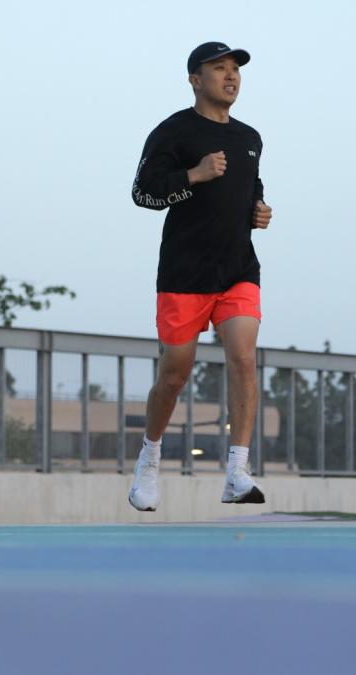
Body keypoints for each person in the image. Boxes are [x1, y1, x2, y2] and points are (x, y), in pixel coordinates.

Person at [128, 42, 273, 511]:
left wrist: (259, 209)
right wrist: (193, 174)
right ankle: (149, 459)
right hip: (184, 273)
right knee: (174, 375)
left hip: (237, 270)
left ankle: (237, 470)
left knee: (244, 358)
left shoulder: (250, 137)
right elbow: (142, 194)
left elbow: (251, 187)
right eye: (219, 69)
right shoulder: (173, 131)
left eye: (235, 70)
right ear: (195, 79)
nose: (230, 77)